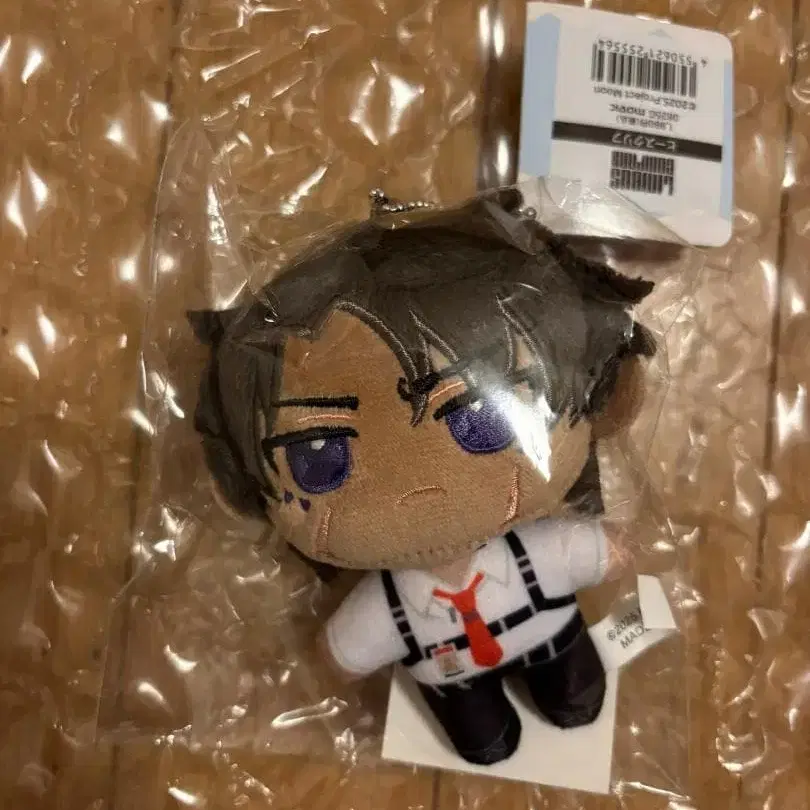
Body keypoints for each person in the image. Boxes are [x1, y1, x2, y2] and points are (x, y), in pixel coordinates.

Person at [191, 189, 654, 764]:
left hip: (550, 637)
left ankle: (562, 689)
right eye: (319, 456)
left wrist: (605, 551)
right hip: (454, 677)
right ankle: (486, 723)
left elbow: (577, 551)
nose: (417, 492)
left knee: (573, 688)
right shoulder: (394, 604)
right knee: (480, 733)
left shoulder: (523, 557)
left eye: (478, 417)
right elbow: (349, 645)